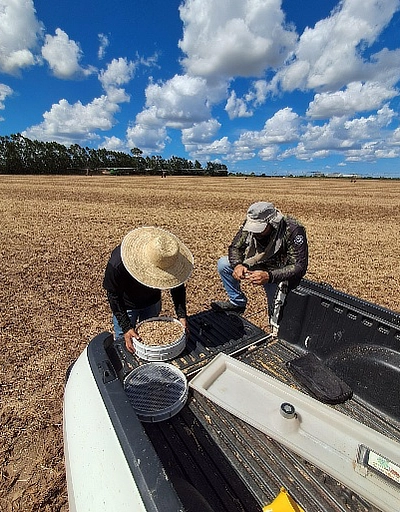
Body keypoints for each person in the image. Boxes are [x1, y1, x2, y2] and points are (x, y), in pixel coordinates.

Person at [211, 201, 308, 329]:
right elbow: (235, 247)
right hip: (258, 262)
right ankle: (237, 303)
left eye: (260, 228)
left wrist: (269, 276)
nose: (255, 232)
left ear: (272, 222)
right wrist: (237, 265)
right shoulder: (250, 224)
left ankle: (275, 322)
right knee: (223, 264)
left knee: (277, 317)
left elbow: (299, 266)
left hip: (278, 272)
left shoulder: (293, 230)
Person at [103, 226, 194, 354]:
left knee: (150, 344)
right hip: (127, 305)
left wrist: (182, 315)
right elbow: (113, 294)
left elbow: (177, 286)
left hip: (152, 302)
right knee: (124, 344)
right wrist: (126, 327)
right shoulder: (117, 263)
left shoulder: (169, 257)